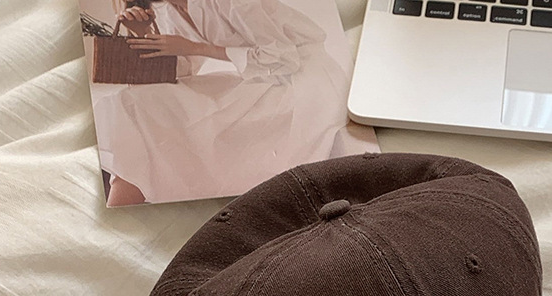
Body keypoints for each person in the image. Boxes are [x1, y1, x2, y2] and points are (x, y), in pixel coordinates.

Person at [96, 0, 375, 206]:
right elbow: (183, 72)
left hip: (305, 83)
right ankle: (124, 202)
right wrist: (144, 34)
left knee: (163, 114)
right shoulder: (168, 9)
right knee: (142, 104)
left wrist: (193, 46)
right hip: (261, 80)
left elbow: (283, 57)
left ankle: (124, 206)